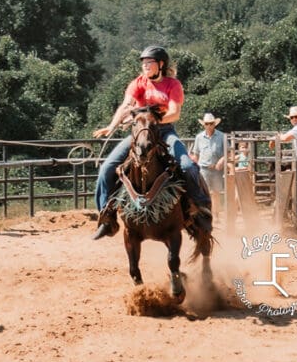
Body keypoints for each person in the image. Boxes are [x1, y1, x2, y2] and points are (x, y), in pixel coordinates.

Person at [91, 46, 210, 239]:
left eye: (150, 63)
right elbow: (125, 106)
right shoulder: (138, 83)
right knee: (106, 168)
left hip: (164, 132)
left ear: (161, 64)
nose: (145, 66)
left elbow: (175, 112)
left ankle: (200, 209)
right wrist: (111, 126)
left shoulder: (173, 84)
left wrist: (152, 122)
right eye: (144, 63)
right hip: (140, 134)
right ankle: (107, 216)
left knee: (188, 166)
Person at [189, 113, 225, 213]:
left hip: (217, 169)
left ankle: (216, 214)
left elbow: (228, 152)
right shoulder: (199, 137)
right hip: (203, 169)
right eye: (207, 124)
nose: (209, 126)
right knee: (205, 193)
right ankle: (208, 214)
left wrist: (221, 160)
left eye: (211, 123)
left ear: (214, 124)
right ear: (204, 125)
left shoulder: (222, 136)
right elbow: (196, 154)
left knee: (216, 193)